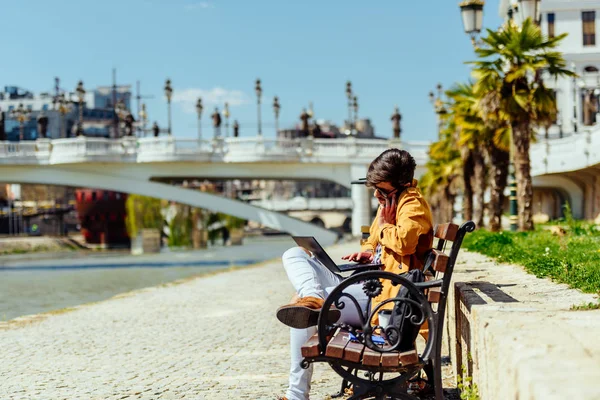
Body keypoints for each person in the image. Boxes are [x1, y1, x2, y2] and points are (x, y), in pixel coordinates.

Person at [275, 148, 433, 400]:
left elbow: (405, 243)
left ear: (400, 184)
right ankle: (313, 296)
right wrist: (368, 253)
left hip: (382, 295)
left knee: (302, 308)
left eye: (381, 189)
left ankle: (296, 395)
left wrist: (384, 227)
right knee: (294, 255)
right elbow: (372, 241)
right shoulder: (390, 202)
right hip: (370, 282)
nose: (376, 194)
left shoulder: (411, 204)